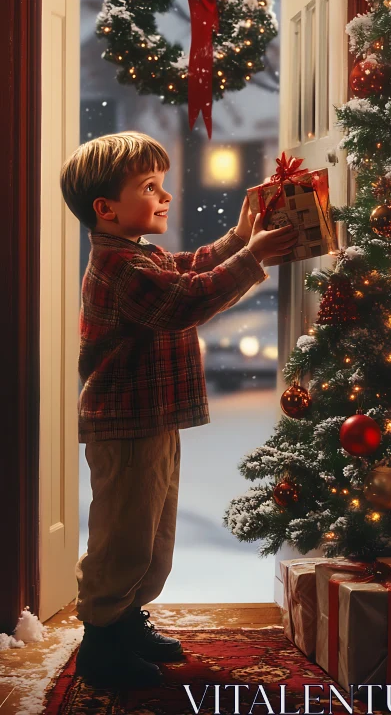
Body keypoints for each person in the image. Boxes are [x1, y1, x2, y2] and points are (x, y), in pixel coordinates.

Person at [59, 130, 298, 689]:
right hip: (126, 424)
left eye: (162, 184)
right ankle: (103, 643)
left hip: (153, 419)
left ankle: (128, 622)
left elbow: (191, 266)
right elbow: (186, 299)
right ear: (107, 210)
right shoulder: (122, 270)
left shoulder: (142, 255)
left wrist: (241, 237)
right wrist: (253, 256)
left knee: (153, 538)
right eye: (150, 187)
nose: (165, 196)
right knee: (122, 540)